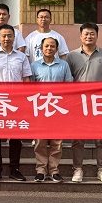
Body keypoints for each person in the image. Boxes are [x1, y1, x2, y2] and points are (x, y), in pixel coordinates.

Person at [66, 22, 102, 183]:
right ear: (81, 36)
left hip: (99, 103)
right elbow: (67, 79)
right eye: (86, 34)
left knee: (101, 138)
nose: (89, 36)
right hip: (78, 102)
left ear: (97, 35)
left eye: (92, 33)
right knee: (78, 138)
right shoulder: (72, 56)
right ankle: (77, 168)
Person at [0, 24, 31, 182]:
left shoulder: (21, 57)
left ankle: (14, 169)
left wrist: (25, 99)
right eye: (3, 36)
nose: (6, 38)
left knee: (16, 136)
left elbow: (26, 79)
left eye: (9, 35)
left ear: (14, 37)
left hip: (16, 101)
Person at [29, 37, 73, 183]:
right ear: (41, 49)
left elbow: (69, 85)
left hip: (57, 108)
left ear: (57, 49)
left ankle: (54, 170)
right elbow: (30, 88)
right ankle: (41, 170)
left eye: (52, 46)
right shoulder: (34, 66)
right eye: (46, 46)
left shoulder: (64, 65)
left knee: (57, 141)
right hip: (40, 108)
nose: (49, 48)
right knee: (40, 141)